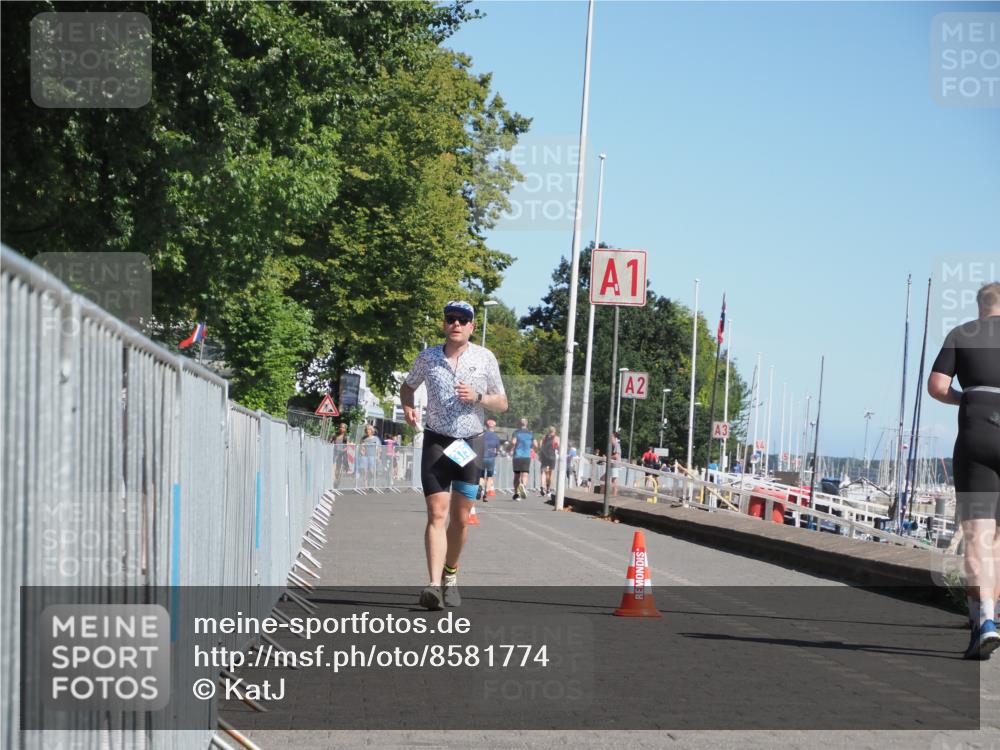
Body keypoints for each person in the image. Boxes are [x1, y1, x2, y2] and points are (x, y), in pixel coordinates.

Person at [400, 300, 508, 610]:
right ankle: (433, 586)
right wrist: (408, 405)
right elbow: (408, 387)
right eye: (451, 319)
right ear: (444, 323)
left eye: (463, 320)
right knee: (436, 514)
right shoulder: (429, 357)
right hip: (436, 441)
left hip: (467, 445)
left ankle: (450, 574)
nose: (456, 324)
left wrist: (478, 397)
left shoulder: (484, 358)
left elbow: (502, 402)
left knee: (460, 520)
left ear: (472, 326)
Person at [928, 281, 1000, 660]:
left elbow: (937, 386)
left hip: (977, 435)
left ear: (980, 307)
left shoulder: (962, 333)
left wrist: (966, 397)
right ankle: (989, 619)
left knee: (977, 534)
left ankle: (984, 620)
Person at [510, 418, 536, 500]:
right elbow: (536, 444)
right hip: (526, 456)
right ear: (527, 424)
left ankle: (516, 494)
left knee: (517, 475)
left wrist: (509, 447)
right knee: (525, 474)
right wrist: (530, 446)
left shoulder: (516, 432)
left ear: (519, 424)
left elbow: (513, 442)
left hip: (517, 456)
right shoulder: (531, 433)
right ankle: (523, 486)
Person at [479, 419, 500, 501]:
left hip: (481, 458)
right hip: (491, 458)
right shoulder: (496, 436)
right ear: (494, 426)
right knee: (489, 477)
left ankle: (480, 487)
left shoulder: (481, 434)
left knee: (481, 476)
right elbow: (497, 449)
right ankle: (485, 494)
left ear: (486, 426)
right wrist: (496, 454)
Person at [538, 425, 559, 497]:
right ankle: (548, 489)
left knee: (543, 472)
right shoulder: (556, 438)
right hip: (552, 457)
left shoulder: (544, 437)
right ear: (555, 431)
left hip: (544, 457)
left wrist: (540, 455)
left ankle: (542, 486)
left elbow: (540, 446)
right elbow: (558, 446)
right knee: (550, 474)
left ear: (548, 431)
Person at [610, 431, 622, 496]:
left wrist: (608, 457)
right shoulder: (614, 445)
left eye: (611, 436)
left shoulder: (617, 445)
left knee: (614, 481)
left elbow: (616, 456)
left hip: (615, 465)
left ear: (614, 437)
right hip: (613, 465)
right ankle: (613, 496)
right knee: (604, 479)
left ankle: (614, 497)